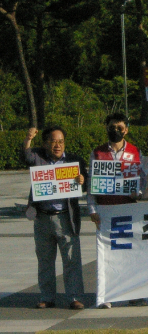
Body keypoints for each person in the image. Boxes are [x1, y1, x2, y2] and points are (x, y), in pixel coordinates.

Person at [24, 126, 87, 310]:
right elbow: (26, 156)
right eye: (53, 141)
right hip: (43, 217)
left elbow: (87, 183)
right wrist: (28, 138)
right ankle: (47, 297)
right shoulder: (38, 157)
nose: (57, 145)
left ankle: (74, 297)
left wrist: (82, 180)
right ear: (45, 144)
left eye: (60, 141)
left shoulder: (74, 160)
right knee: (45, 260)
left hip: (66, 217)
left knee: (71, 260)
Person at [87, 113, 147, 309]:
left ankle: (134, 293)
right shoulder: (97, 153)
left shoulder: (135, 151)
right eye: (112, 126)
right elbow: (91, 184)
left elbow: (141, 180)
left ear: (126, 129)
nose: (116, 130)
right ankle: (106, 295)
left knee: (130, 252)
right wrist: (92, 208)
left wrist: (136, 193)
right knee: (106, 254)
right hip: (105, 210)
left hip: (128, 208)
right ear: (106, 127)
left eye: (120, 127)